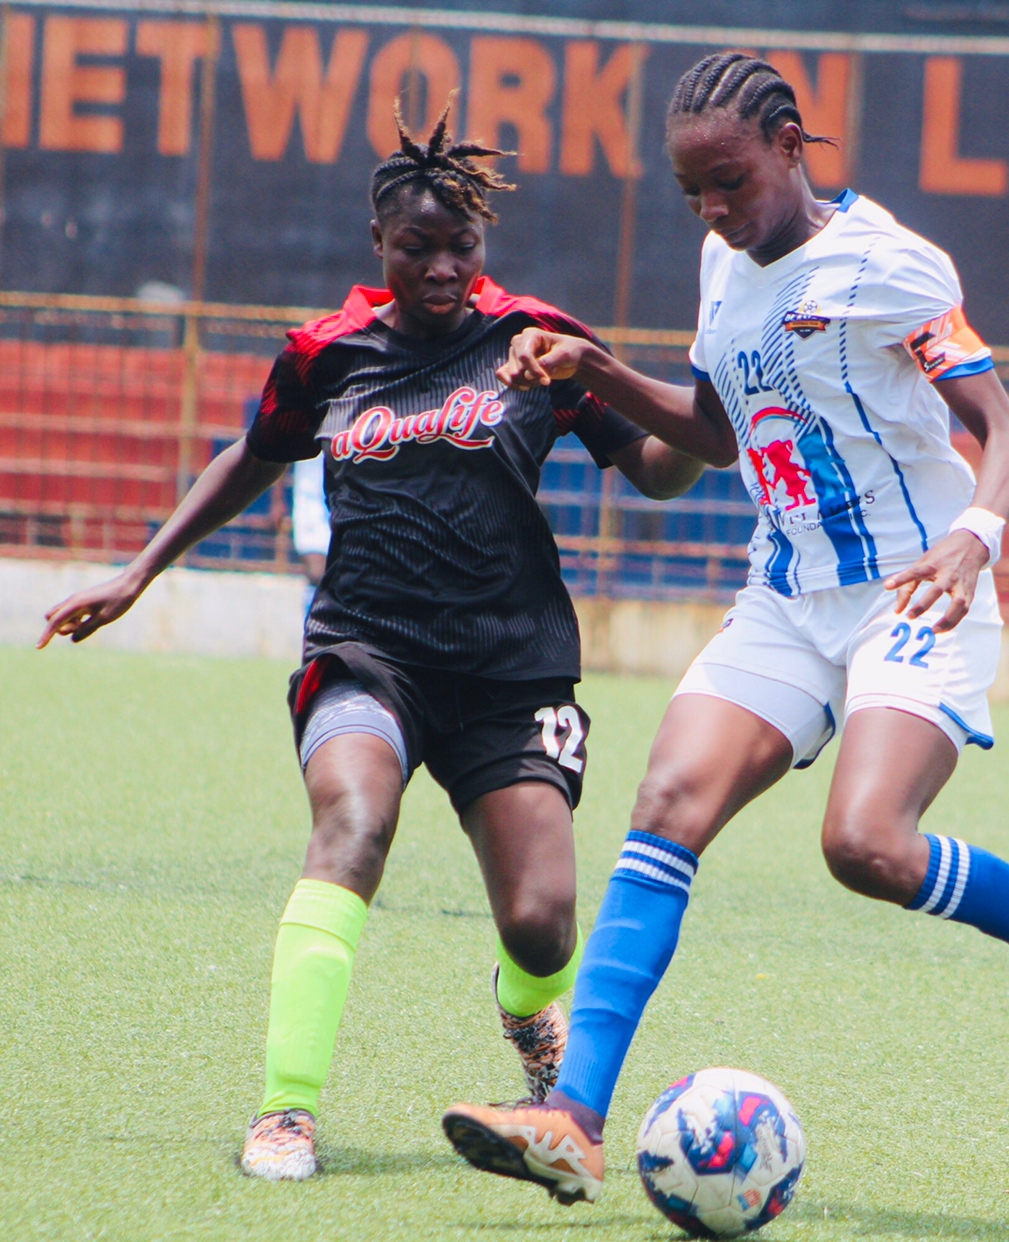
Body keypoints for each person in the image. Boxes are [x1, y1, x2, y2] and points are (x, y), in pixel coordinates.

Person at [437, 53, 1009, 1206]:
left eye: (731, 183)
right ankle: (573, 1118)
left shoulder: (887, 266)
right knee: (664, 808)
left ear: (790, 146)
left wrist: (979, 533)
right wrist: (590, 374)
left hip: (917, 589)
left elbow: (1004, 434)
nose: (714, 211)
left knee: (867, 848)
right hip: (788, 595)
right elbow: (705, 432)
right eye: (693, 191)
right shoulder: (720, 262)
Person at [37, 105, 703, 1181]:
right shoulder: (327, 355)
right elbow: (250, 459)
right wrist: (138, 570)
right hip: (367, 652)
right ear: (377, 248)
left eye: (462, 248)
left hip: (512, 671)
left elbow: (668, 471)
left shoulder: (536, 340)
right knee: (353, 818)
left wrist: (655, 383)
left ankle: (530, 1022)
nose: (443, 269)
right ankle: (286, 1112)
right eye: (417, 248)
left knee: (541, 927)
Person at [291, 455, 329, 616]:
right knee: (317, 573)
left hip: (343, 499)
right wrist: (277, 500)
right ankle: (312, 627)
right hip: (310, 500)